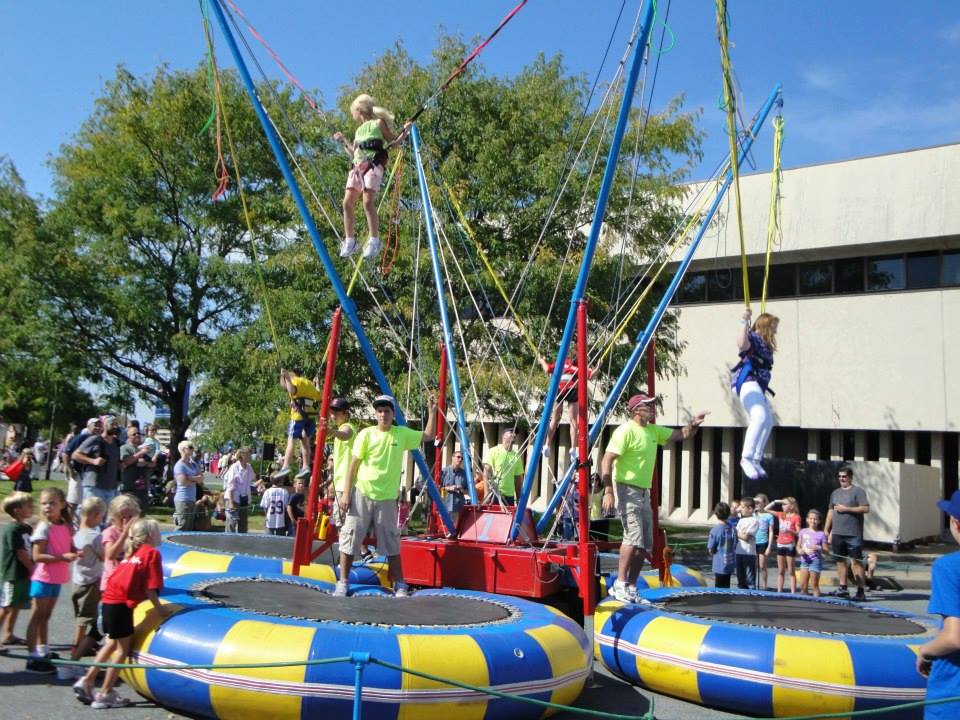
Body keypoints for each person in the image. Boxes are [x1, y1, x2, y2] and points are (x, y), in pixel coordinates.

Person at [600, 392, 708, 603]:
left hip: (644, 492)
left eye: (652, 405)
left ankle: (631, 586)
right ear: (635, 409)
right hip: (627, 489)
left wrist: (694, 424)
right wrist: (608, 491)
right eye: (647, 405)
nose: (652, 408)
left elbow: (681, 435)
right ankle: (620, 584)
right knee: (633, 537)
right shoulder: (625, 431)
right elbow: (607, 460)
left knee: (644, 544)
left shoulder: (653, 430)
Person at [335, 394, 436, 598]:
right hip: (362, 493)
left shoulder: (401, 434)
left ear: (393, 414)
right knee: (350, 536)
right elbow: (353, 465)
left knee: (391, 541)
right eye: (380, 411)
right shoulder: (365, 434)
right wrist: (346, 493)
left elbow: (428, 435)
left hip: (387, 499)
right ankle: (343, 582)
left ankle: (400, 584)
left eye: (387, 411)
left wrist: (432, 412)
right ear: (375, 414)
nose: (383, 415)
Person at [74, 518, 169, 709]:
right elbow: (150, 588)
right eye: (157, 532)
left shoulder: (132, 553)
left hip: (108, 602)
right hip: (120, 605)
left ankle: (87, 680)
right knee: (122, 650)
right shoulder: (151, 553)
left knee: (111, 643)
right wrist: (160, 610)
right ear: (150, 536)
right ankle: (105, 692)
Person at [332, 94, 410, 259]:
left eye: (353, 112)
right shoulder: (358, 131)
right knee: (347, 202)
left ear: (359, 110)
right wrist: (343, 140)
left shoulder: (378, 123)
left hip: (373, 166)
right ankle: (350, 241)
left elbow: (393, 143)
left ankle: (374, 240)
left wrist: (405, 130)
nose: (352, 115)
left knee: (367, 202)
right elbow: (354, 152)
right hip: (357, 167)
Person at [916, 490, 960, 719]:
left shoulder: (949, 567)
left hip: (952, 694)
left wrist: (925, 651)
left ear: (955, 522)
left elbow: (954, 638)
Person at [25, 487, 77, 674]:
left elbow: (69, 546)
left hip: (56, 578)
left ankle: (43, 650)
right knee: (37, 616)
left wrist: (76, 551)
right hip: (43, 578)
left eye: (52, 503)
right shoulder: (44, 527)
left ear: (62, 505)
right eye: (44, 503)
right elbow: (37, 556)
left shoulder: (65, 526)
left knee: (46, 616)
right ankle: (32, 657)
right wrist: (62, 557)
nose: (47, 506)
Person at [732, 308, 779, 480]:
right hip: (747, 382)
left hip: (757, 385)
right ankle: (746, 458)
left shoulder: (765, 344)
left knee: (768, 421)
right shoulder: (753, 337)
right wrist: (744, 320)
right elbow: (741, 344)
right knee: (759, 417)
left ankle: (756, 459)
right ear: (764, 326)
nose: (775, 331)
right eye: (773, 327)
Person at [68, 496, 106, 679]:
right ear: (95, 515)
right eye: (101, 517)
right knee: (84, 620)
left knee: (82, 617)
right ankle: (73, 659)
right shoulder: (94, 536)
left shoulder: (77, 534)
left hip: (78, 580)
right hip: (91, 582)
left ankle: (82, 647)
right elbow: (104, 556)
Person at [824, 465, 870, 601]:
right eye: (839, 476)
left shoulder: (858, 492)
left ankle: (860, 591)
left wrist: (846, 509)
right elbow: (831, 511)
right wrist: (827, 529)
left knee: (856, 562)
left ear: (850, 477)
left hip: (853, 533)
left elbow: (865, 509)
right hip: (838, 533)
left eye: (844, 476)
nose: (841, 479)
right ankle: (843, 588)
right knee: (840, 560)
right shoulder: (835, 493)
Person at [539, 355, 594, 460]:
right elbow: (590, 375)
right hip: (567, 389)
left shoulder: (568, 364)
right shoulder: (572, 365)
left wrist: (542, 361)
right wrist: (542, 360)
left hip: (565, 389)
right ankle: (567, 447)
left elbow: (547, 369)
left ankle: (550, 445)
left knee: (559, 419)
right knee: (567, 420)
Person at [0, 491, 34, 648]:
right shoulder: (12, 530)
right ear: (17, 510)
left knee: (17, 604)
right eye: (28, 505)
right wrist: (32, 568)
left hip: (23, 573)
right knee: (6, 606)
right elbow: (20, 553)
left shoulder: (26, 528)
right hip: (13, 573)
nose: (32, 508)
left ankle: (8, 634)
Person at [275, 368, 322, 482]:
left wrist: (287, 378)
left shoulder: (294, 381)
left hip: (298, 416)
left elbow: (292, 390)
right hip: (310, 416)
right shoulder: (309, 383)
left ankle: (286, 466)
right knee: (305, 441)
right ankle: (306, 466)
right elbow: (318, 396)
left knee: (291, 441)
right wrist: (317, 383)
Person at [73, 415, 121, 507]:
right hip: (94, 486)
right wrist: (93, 461)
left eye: (116, 424)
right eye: (112, 424)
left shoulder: (117, 443)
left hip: (111, 487)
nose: (115, 426)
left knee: (107, 515)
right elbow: (75, 455)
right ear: (104, 425)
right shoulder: (95, 440)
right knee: (90, 513)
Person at [323, 398, 357, 526]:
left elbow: (346, 434)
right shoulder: (339, 430)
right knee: (340, 522)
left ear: (346, 414)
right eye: (332, 413)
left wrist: (331, 432)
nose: (333, 416)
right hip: (341, 484)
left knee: (342, 523)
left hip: (346, 485)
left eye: (336, 413)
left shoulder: (347, 427)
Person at [766, 496, 800, 593]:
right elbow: (766, 509)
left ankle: (793, 592)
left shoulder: (796, 517)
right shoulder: (781, 514)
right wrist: (776, 501)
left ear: (791, 506)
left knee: (791, 571)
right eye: (782, 504)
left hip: (789, 545)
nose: (782, 506)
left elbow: (798, 532)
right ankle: (779, 591)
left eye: (785, 504)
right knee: (781, 571)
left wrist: (789, 530)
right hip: (780, 544)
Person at [483, 428, 523, 506]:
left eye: (515, 433)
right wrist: (486, 492)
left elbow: (518, 480)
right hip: (495, 494)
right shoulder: (493, 451)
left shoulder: (516, 457)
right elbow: (486, 472)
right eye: (511, 432)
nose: (514, 434)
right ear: (503, 436)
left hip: (510, 496)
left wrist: (519, 499)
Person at [119, 424, 154, 512]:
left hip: (143, 487)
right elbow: (125, 462)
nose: (137, 435)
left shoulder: (143, 448)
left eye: (138, 433)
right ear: (128, 436)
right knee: (128, 513)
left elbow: (153, 464)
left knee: (141, 512)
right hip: (129, 487)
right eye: (134, 434)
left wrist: (145, 463)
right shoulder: (125, 448)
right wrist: (141, 453)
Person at [173, 440, 203, 531]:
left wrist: (189, 478)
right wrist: (195, 479)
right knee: (182, 525)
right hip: (182, 499)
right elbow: (183, 482)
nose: (192, 449)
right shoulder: (179, 465)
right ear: (183, 449)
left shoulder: (193, 464)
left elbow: (201, 478)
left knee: (189, 526)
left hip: (192, 498)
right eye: (190, 447)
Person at [797, 508, 828, 597]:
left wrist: (819, 547)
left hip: (815, 561)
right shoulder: (803, 531)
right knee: (803, 587)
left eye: (815, 519)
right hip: (804, 560)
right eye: (811, 518)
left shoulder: (821, 534)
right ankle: (805, 601)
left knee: (814, 585)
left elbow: (826, 551)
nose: (813, 521)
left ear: (819, 521)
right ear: (807, 519)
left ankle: (817, 600)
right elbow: (798, 546)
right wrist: (800, 551)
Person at [223, 447, 254, 533]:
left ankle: (241, 541)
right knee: (231, 525)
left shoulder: (249, 467)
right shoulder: (234, 467)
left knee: (243, 525)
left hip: (244, 501)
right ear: (242, 455)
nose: (250, 456)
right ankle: (229, 541)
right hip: (234, 500)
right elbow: (230, 486)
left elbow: (251, 482)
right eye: (248, 454)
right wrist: (231, 503)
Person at [707, 501, 736, 588]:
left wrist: (711, 552)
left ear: (716, 514)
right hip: (730, 562)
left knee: (719, 588)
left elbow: (711, 548)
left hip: (719, 563)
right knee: (727, 586)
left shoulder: (715, 530)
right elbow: (736, 542)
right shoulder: (732, 528)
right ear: (729, 514)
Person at [735, 497, 760, 589]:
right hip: (739, 552)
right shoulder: (741, 520)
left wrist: (738, 533)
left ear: (750, 508)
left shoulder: (754, 520)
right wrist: (740, 533)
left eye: (742, 507)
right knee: (740, 578)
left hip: (749, 553)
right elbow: (736, 533)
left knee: (749, 579)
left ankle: (751, 594)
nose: (740, 509)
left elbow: (746, 537)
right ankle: (742, 592)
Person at [440, 450, 469, 526]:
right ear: (452, 458)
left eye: (461, 458)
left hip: (458, 506)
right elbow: (438, 488)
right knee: (444, 528)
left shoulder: (464, 474)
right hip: (445, 505)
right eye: (458, 457)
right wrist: (449, 488)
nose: (460, 459)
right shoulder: (444, 471)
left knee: (456, 528)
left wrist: (462, 490)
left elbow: (468, 491)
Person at [754, 493, 776, 591]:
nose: (757, 504)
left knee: (762, 565)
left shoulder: (768, 516)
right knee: (753, 565)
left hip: (763, 542)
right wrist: (753, 500)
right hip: (753, 542)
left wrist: (769, 547)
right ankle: (753, 584)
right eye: (755, 502)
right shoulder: (752, 514)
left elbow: (771, 532)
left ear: (764, 503)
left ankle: (765, 585)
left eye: (759, 502)